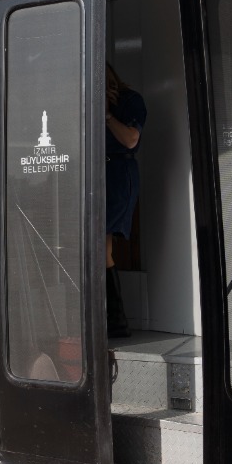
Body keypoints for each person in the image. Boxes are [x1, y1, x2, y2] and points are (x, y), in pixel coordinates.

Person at [105, 63, 146, 338]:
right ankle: (113, 321)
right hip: (95, 173)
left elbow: (131, 139)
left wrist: (107, 114)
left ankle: (117, 322)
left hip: (118, 174)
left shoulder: (131, 100)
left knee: (100, 244)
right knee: (99, 247)